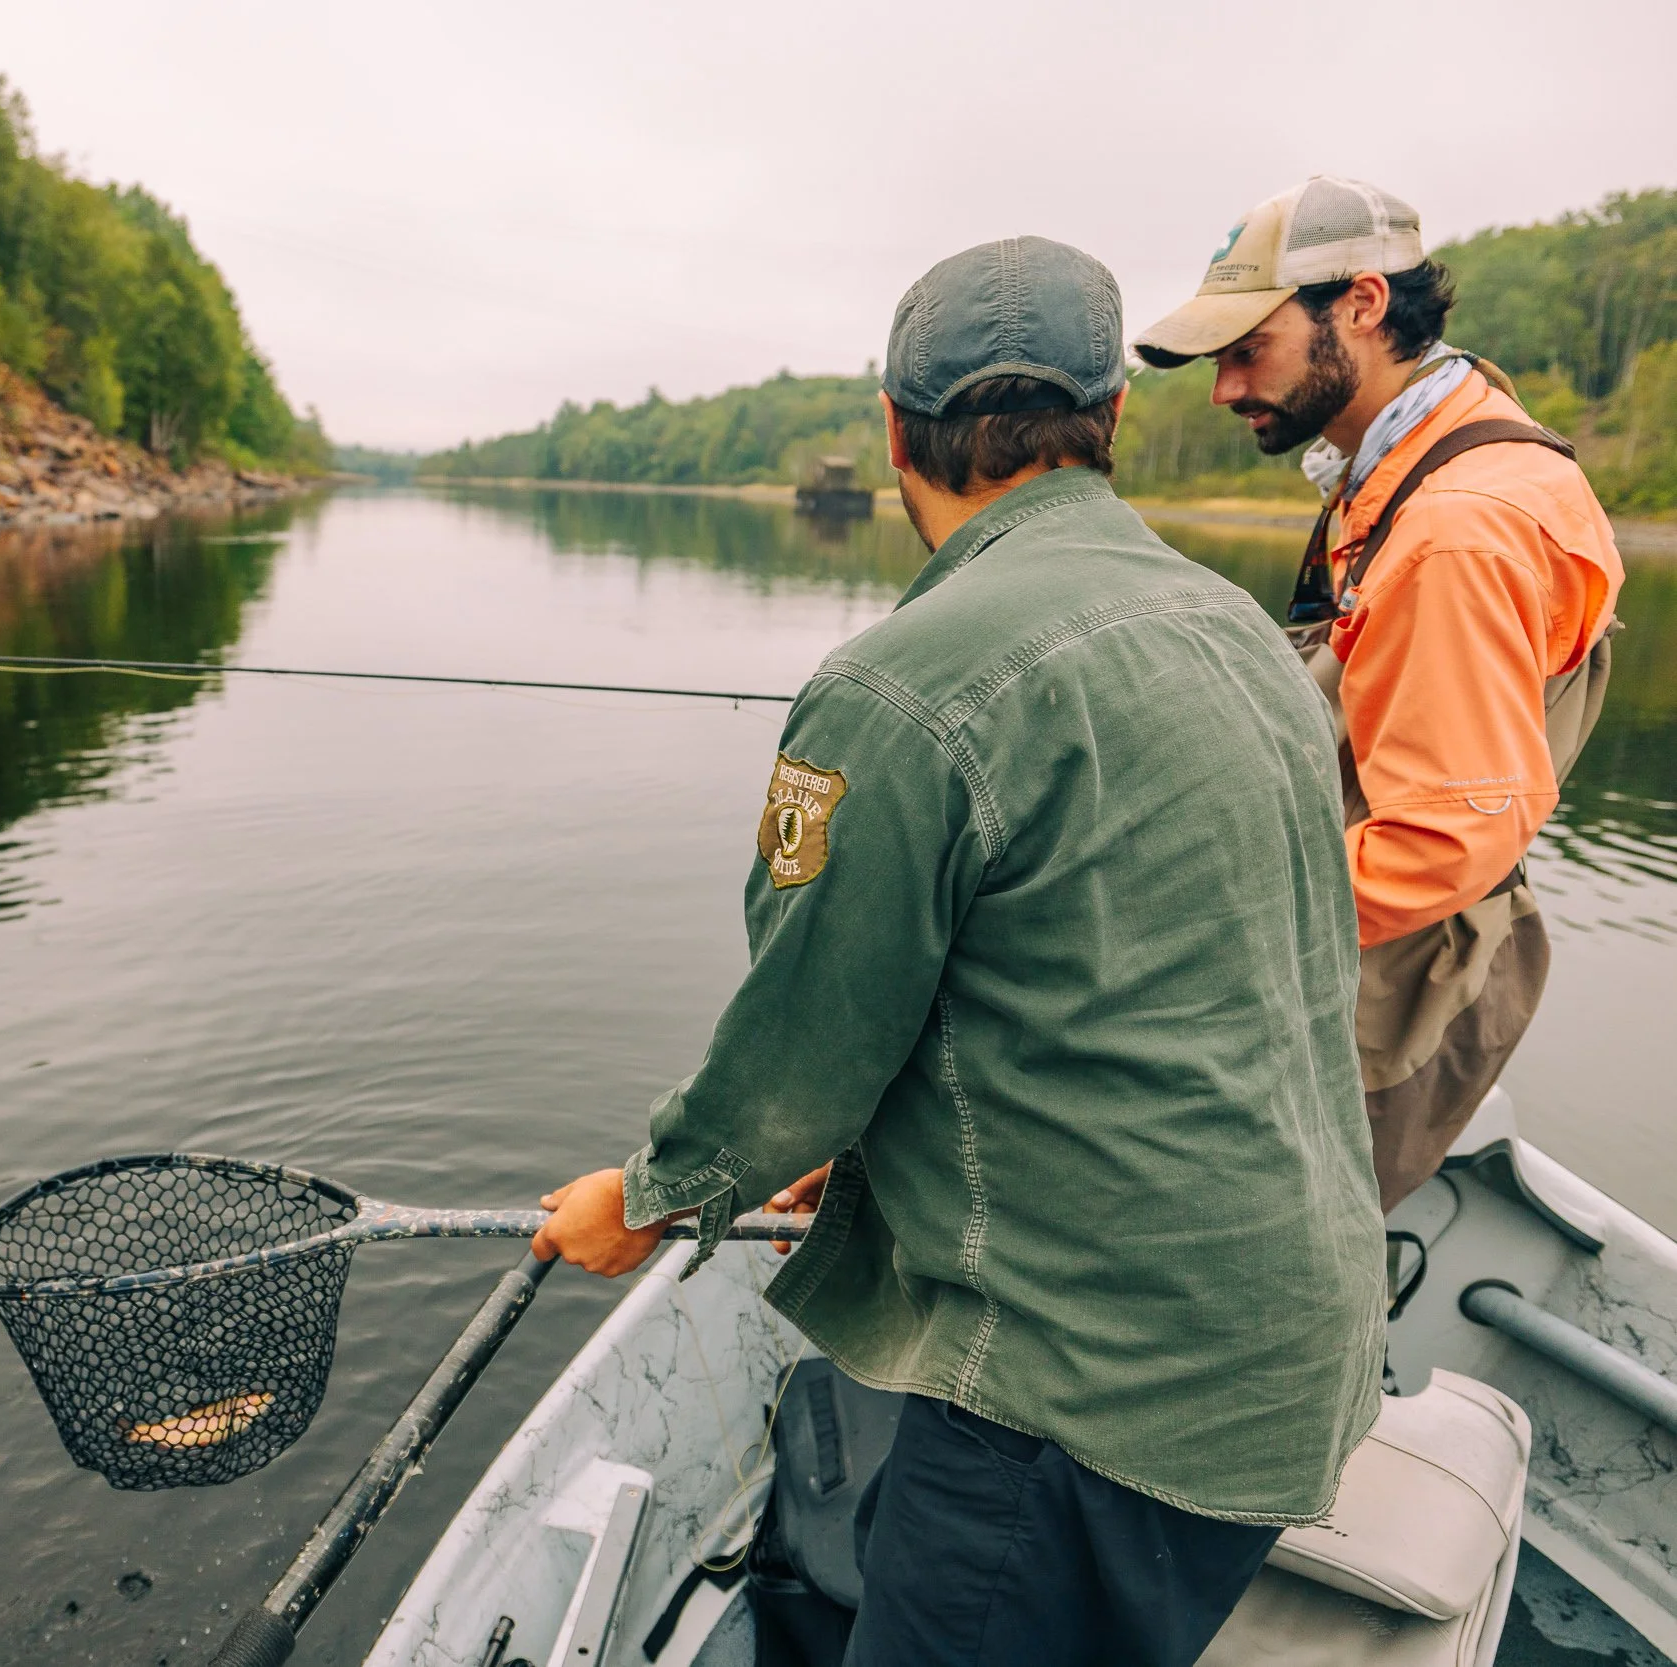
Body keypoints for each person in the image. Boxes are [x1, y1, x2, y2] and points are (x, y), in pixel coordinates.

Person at [532, 237, 1386, 1667]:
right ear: (1112, 418)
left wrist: (654, 1191)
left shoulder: (896, 688)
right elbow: (1142, 978)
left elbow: (803, 1043)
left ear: (889, 429)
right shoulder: (1246, 637)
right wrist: (876, 1150)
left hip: (1087, 1399)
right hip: (1290, 1351)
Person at [1132, 176, 1626, 1211]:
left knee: (1273, 1256)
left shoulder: (1457, 528)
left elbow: (1443, 836)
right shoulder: (1435, 438)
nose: (1224, 388)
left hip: (1390, 994)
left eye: (1246, 348)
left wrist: (1197, 927)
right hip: (1375, 951)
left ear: (1361, 304)